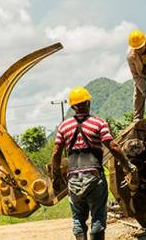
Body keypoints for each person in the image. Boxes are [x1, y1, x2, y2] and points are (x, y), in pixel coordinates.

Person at [51, 86, 137, 240]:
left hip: (73, 178)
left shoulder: (64, 126)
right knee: (97, 216)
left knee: (78, 217)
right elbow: (113, 146)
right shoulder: (98, 123)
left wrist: (55, 176)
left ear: (72, 106)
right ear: (88, 103)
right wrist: (127, 164)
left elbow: (56, 152)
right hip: (94, 176)